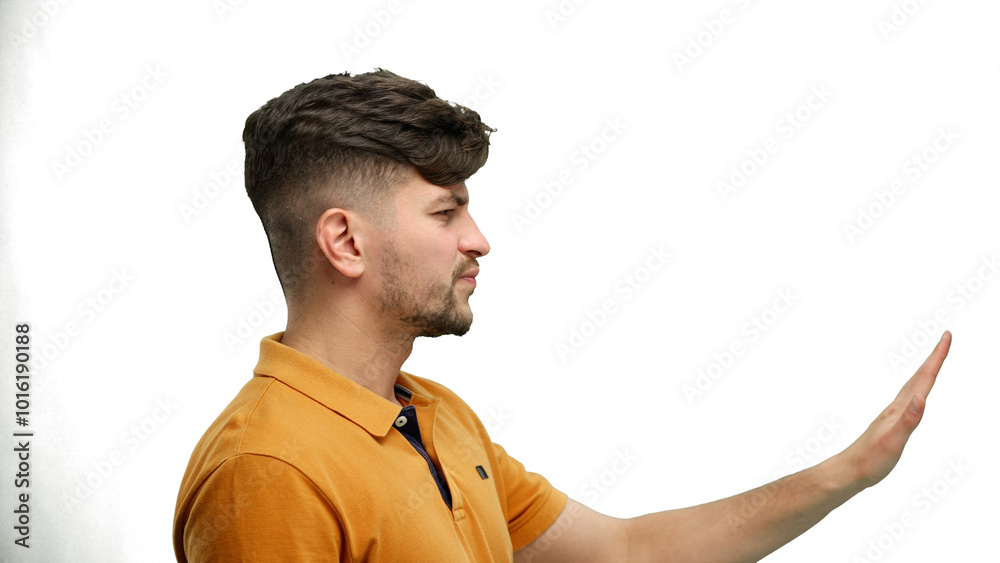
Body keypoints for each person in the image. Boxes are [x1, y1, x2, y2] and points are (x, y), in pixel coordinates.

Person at [172, 69, 953, 562]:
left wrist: (849, 470)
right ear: (345, 241)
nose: (478, 239)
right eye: (446, 212)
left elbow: (626, 550)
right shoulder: (267, 468)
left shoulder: (438, 418)